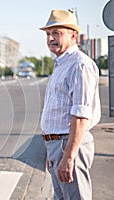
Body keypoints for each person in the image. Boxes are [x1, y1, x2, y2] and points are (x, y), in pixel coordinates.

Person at [40, 10, 101, 200]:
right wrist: (53, 153)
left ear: (73, 35)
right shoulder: (61, 64)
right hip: (58, 145)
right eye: (48, 34)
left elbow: (81, 115)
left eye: (56, 33)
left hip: (69, 143)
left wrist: (68, 155)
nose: (50, 38)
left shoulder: (79, 65)